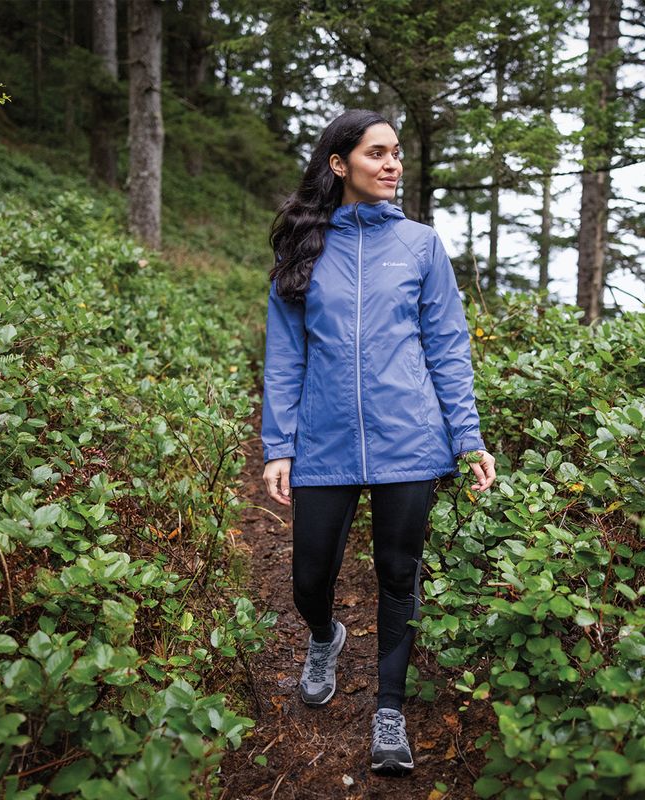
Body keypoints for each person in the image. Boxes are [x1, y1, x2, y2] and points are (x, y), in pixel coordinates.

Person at [260, 109, 496, 775]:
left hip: (409, 440)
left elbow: (448, 348)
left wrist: (467, 438)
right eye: (377, 153)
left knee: (399, 573)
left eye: (397, 153)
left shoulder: (421, 246)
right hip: (325, 443)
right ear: (339, 164)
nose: (393, 164)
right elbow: (285, 357)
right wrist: (279, 444)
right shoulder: (302, 248)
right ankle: (324, 635)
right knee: (309, 577)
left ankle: (388, 708)